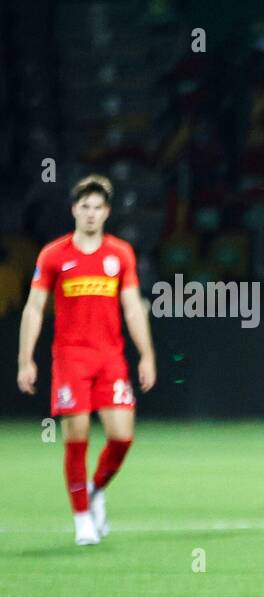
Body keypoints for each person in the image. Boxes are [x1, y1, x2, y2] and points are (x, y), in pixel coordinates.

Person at [17, 174, 156, 545]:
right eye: (85, 207)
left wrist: (147, 355)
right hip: (70, 359)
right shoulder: (53, 255)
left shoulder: (120, 254)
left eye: (98, 207)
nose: (91, 214)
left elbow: (132, 308)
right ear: (74, 209)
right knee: (76, 438)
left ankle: (95, 490)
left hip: (110, 359)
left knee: (122, 437)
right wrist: (25, 360)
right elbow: (34, 308)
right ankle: (82, 519)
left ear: (107, 212)